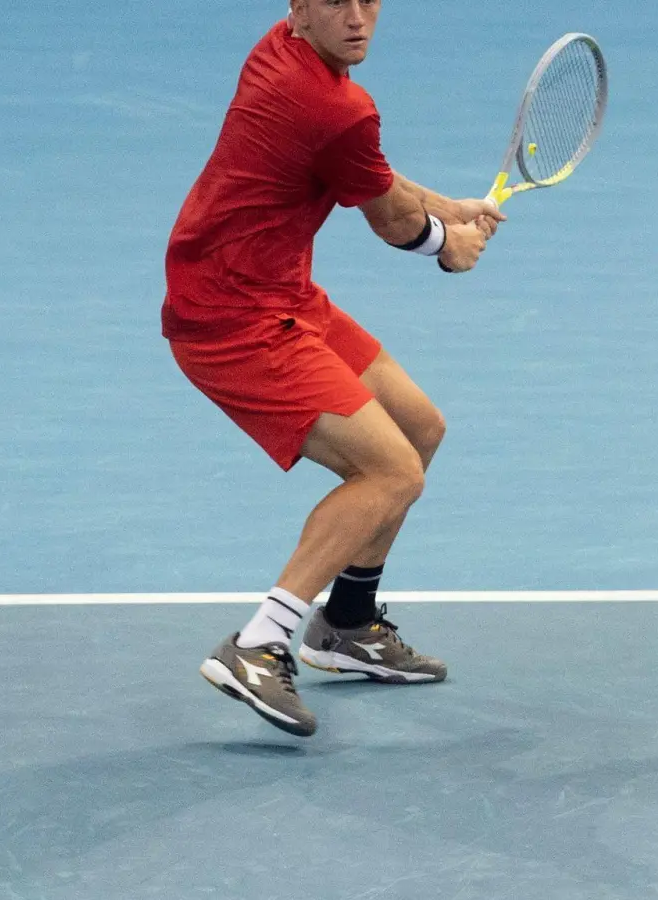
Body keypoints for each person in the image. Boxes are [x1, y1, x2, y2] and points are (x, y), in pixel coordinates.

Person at [163, 0, 503, 737]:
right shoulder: (336, 105)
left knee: (419, 430)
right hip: (231, 318)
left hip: (280, 292)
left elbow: (365, 173)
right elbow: (389, 220)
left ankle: (347, 624)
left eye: (367, 0)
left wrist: (446, 204)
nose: (356, 17)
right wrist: (448, 243)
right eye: (335, 2)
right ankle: (258, 644)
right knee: (390, 473)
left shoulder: (284, 53)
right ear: (299, 8)